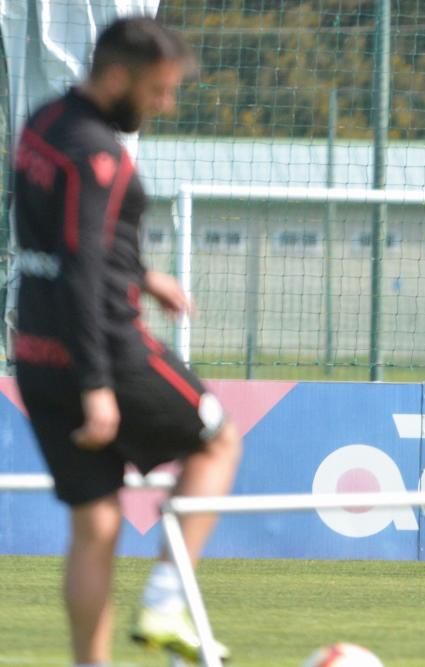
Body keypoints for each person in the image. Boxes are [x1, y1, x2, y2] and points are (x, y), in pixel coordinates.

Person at [12, 16, 242, 665]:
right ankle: (168, 597)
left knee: (96, 522)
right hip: (106, 349)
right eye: (158, 90)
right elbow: (84, 270)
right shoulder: (100, 155)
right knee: (219, 438)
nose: (164, 104)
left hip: (33, 352)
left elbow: (61, 243)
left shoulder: (41, 125)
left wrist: (141, 272)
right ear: (118, 77)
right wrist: (98, 387)